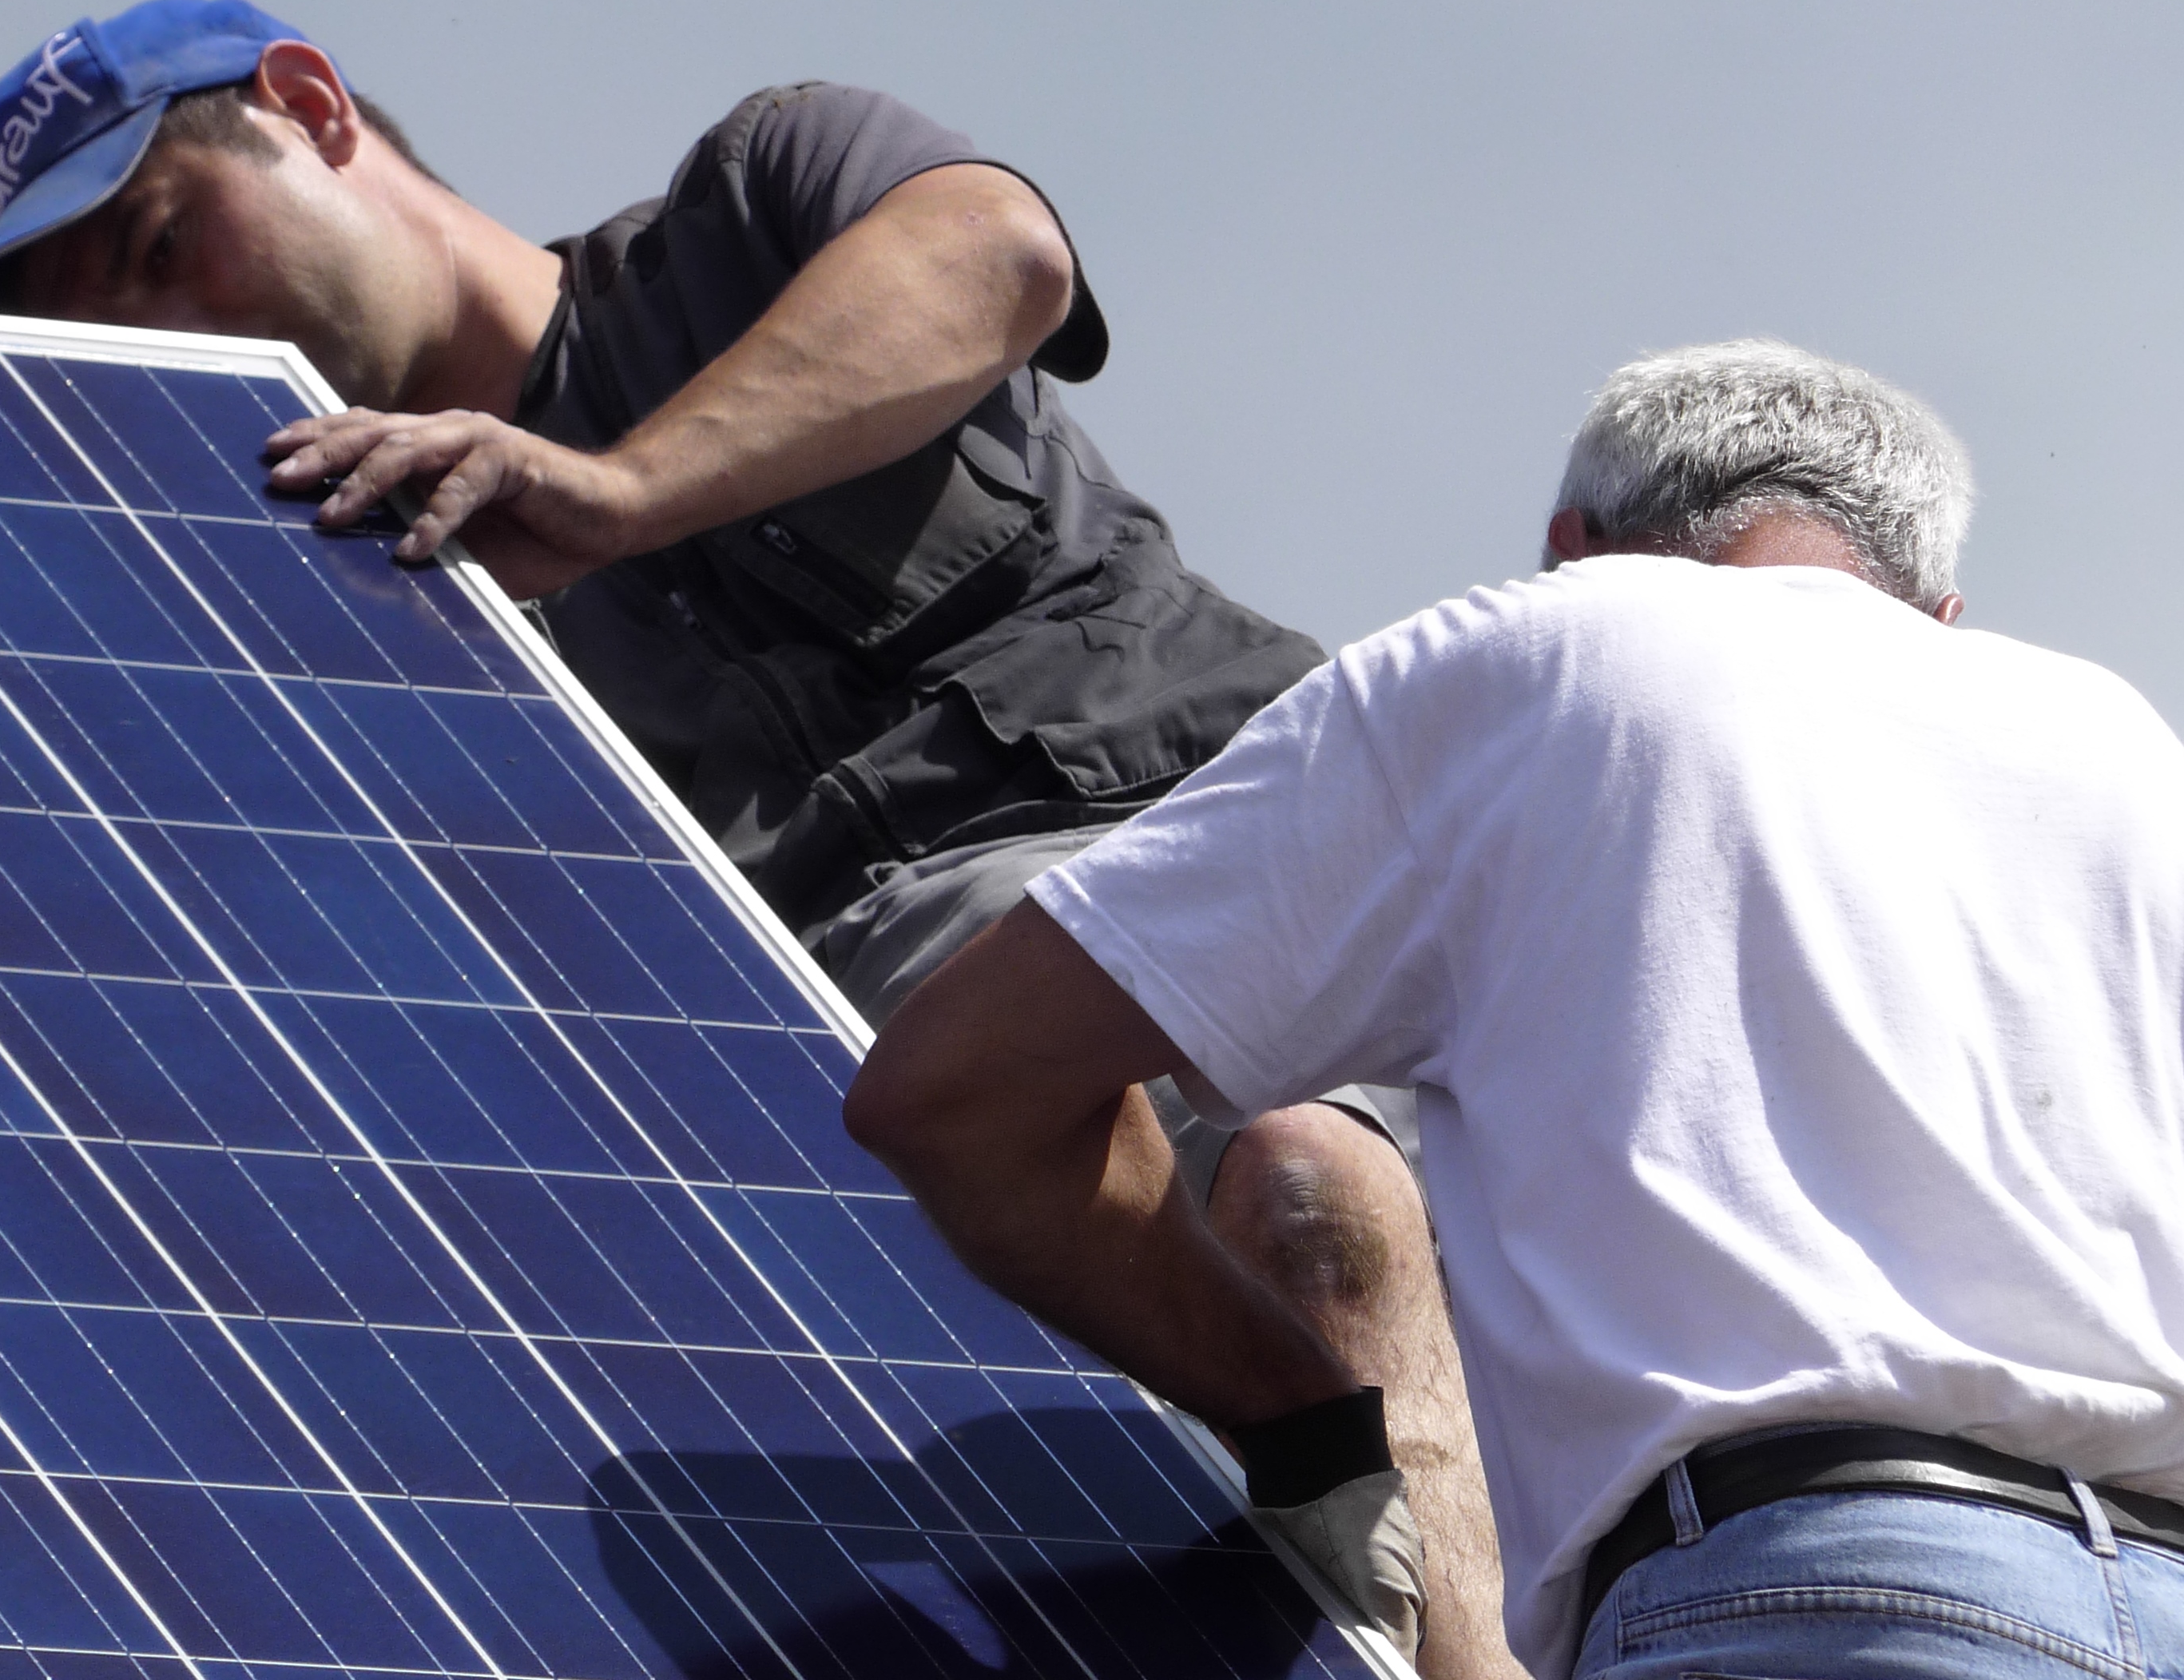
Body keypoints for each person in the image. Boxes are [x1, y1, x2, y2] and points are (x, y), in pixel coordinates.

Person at [0, 0, 1523, 1678]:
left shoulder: (756, 200)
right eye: (104, 311)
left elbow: (998, 255)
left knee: (1306, 1175)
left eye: (166, 239)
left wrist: (613, 489)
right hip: (882, 1100)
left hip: (1231, 855)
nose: (165, 319)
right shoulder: (341, 609)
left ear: (311, 103)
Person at [849, 339, 2184, 1679]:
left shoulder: (1552, 650)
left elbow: (958, 1091)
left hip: (1818, 1599)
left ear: (1578, 546)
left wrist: (1306, 1417)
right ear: (1938, 611)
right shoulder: (2124, 744)